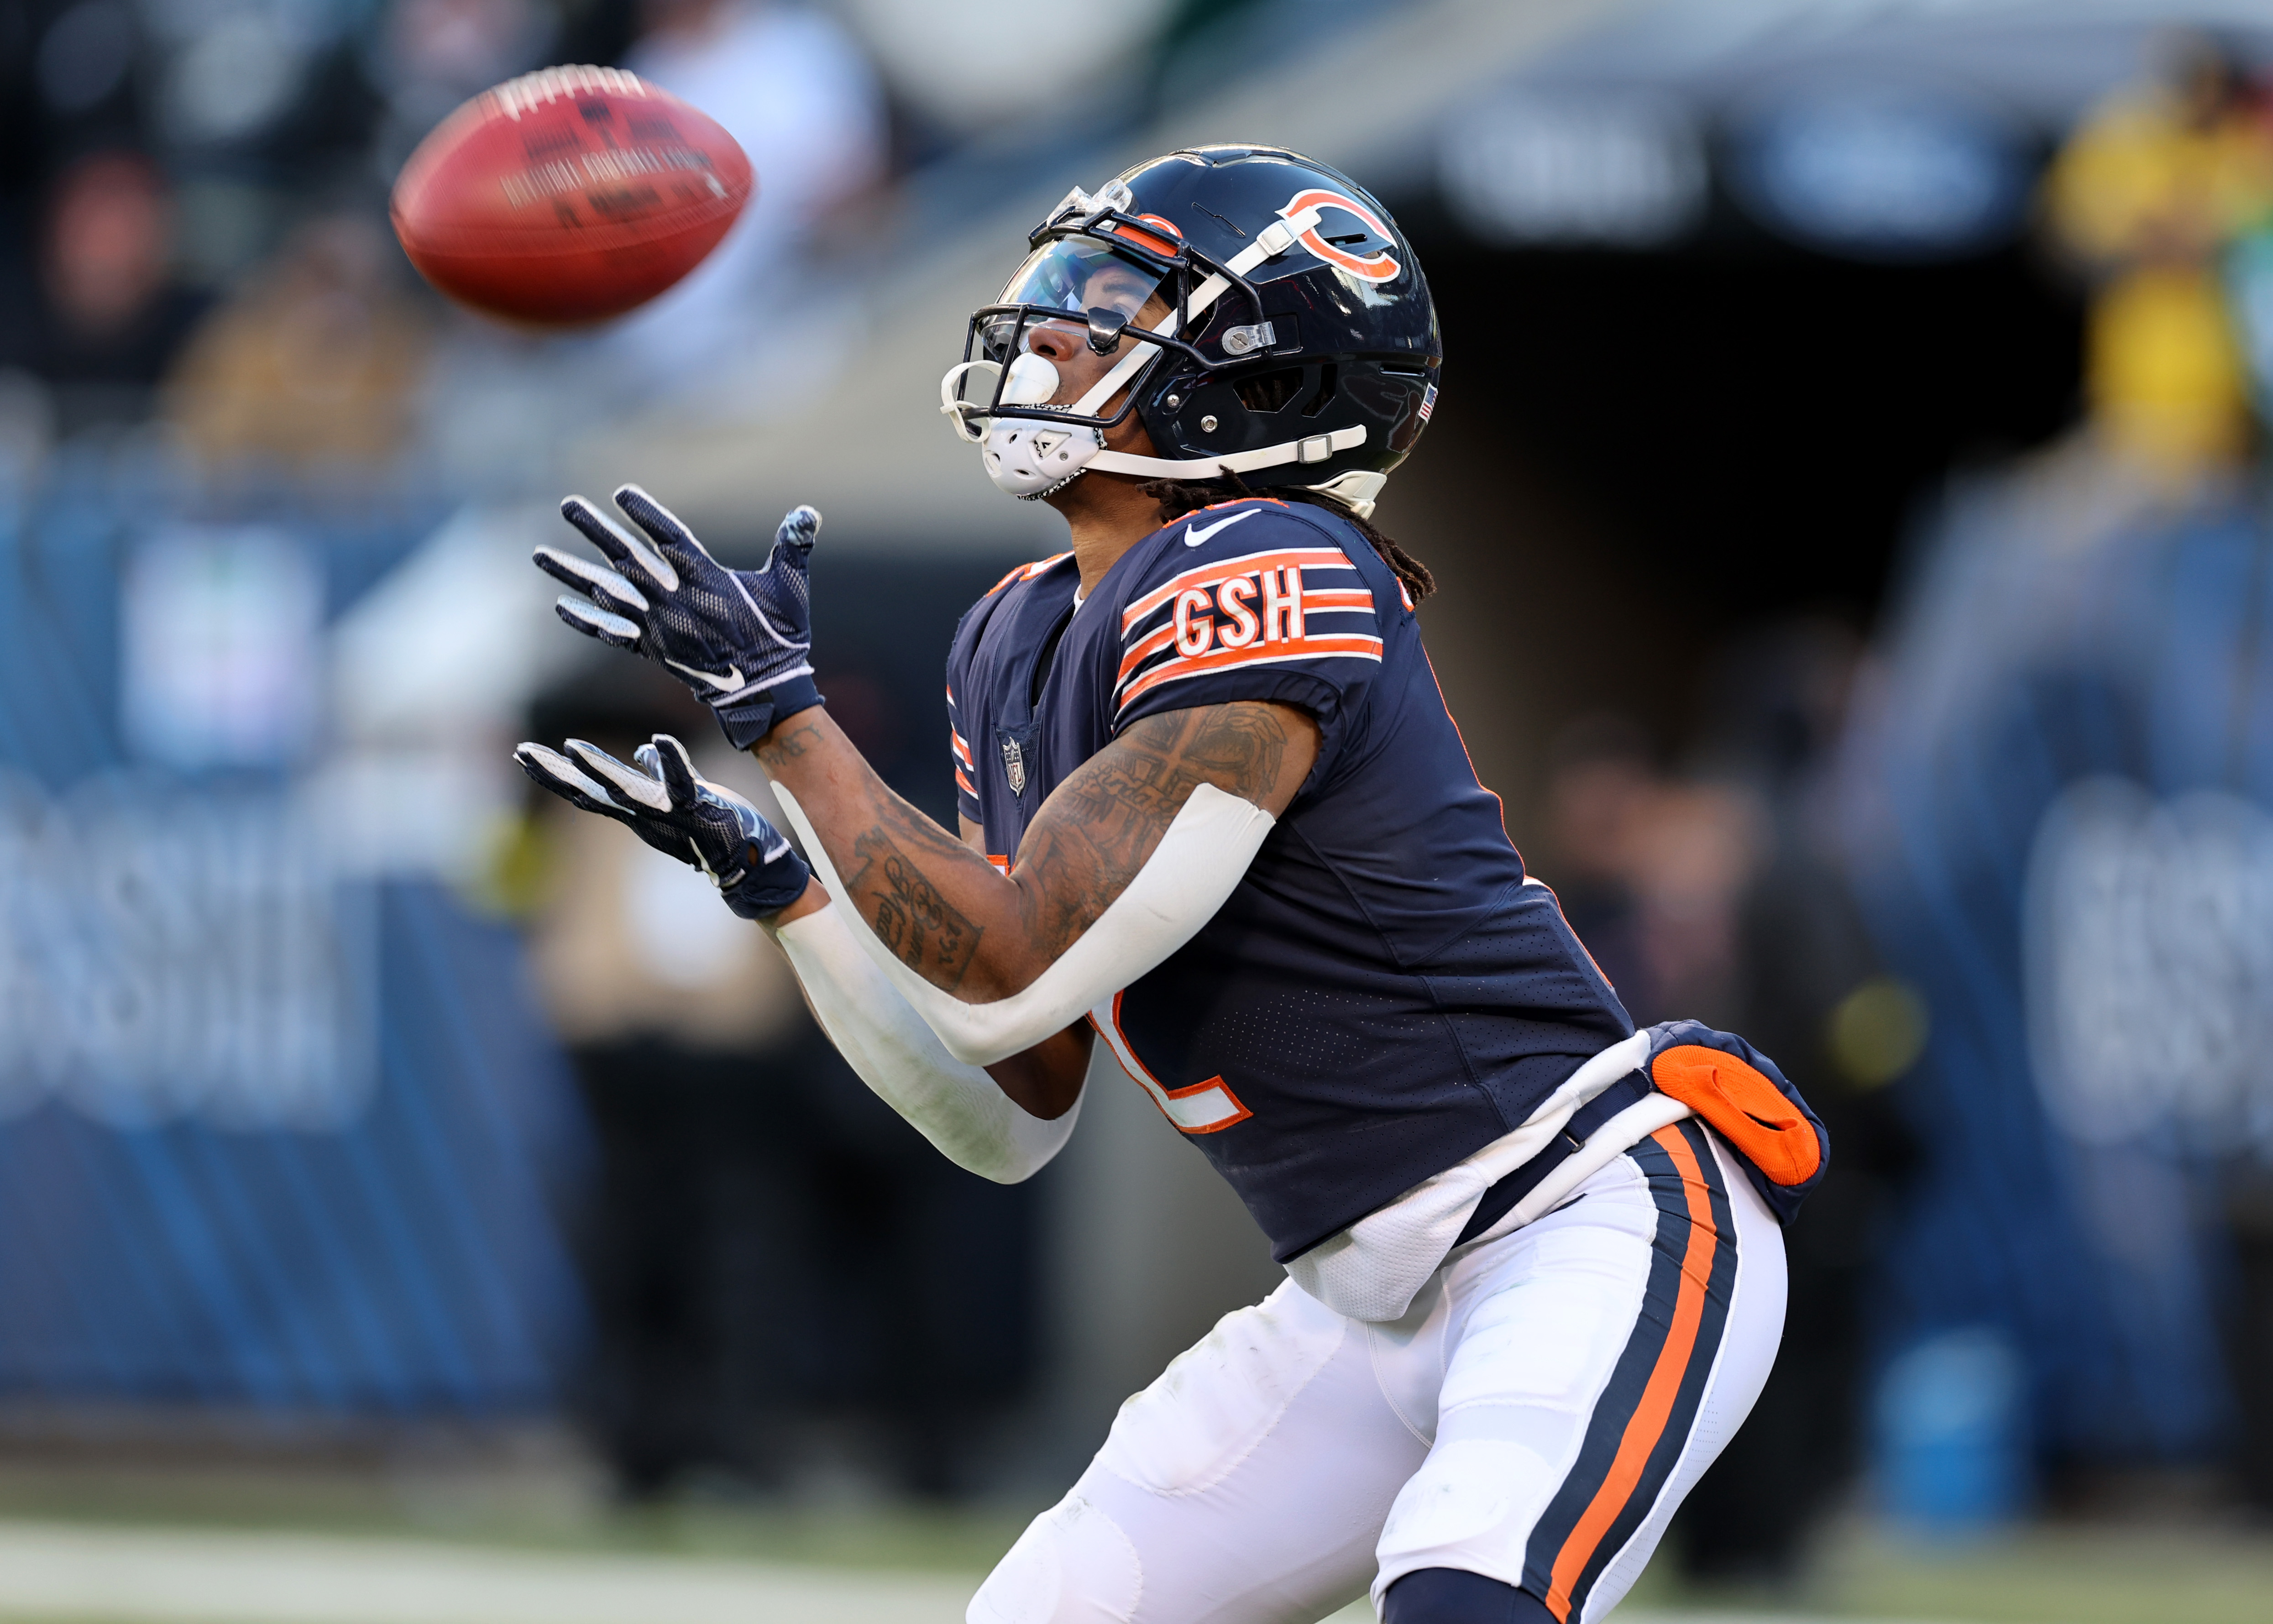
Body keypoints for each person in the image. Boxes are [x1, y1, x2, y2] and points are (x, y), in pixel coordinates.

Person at [513, 147, 1827, 1624]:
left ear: (1260, 382)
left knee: (1467, 1603)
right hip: (1352, 1297)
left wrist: (782, 722)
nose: (1052, 326)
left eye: (1116, 299)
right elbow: (1010, 1106)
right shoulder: (1014, 631)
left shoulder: (1272, 567)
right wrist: (788, 893)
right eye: (1061, 284)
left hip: (1575, 1224)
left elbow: (1008, 962)